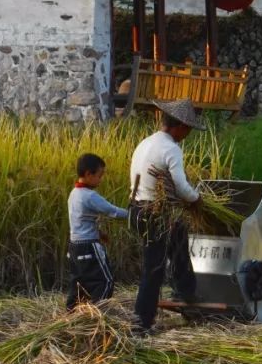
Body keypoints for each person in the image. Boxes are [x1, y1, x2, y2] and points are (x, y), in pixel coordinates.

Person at [129, 98, 204, 334]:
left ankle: (186, 297)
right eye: (188, 130)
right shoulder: (171, 148)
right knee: (155, 268)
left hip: (138, 209)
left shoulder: (146, 142)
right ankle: (142, 322)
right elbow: (181, 188)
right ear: (180, 126)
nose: (188, 134)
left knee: (179, 243)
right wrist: (197, 199)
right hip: (154, 214)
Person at [66, 153, 128, 309]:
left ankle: (72, 315)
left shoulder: (74, 194)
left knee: (79, 284)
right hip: (88, 247)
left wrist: (99, 233)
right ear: (88, 174)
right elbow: (112, 211)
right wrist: (134, 214)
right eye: (99, 176)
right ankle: (97, 315)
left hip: (74, 246)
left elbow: (80, 221)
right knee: (105, 281)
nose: (101, 180)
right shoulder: (90, 196)